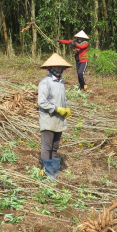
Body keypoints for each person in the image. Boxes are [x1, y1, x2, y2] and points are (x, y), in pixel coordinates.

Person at [37, 53, 72, 182]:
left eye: (60, 66)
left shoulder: (61, 81)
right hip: (48, 119)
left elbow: (64, 98)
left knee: (55, 146)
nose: (58, 68)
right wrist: (56, 109)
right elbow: (42, 102)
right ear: (50, 67)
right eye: (55, 66)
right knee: (47, 146)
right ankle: (48, 173)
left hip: (59, 120)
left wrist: (67, 107)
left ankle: (53, 170)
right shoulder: (45, 82)